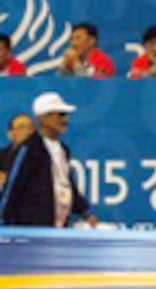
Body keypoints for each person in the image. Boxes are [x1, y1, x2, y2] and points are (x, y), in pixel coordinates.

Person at [0, 93, 98, 227]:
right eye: (60, 115)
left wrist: (86, 213)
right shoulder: (28, 149)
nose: (65, 120)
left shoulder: (63, 150)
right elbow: (12, 188)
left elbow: (67, 185)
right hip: (33, 231)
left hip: (58, 228)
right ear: (44, 118)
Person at [0, 113, 35, 189]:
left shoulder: (41, 157)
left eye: (31, 127)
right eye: (22, 127)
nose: (29, 132)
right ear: (11, 134)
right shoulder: (2, 156)